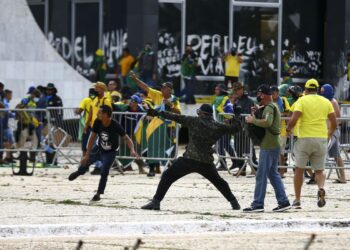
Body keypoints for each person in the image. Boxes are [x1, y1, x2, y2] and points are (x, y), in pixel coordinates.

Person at [141, 104, 241, 210]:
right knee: (219, 182)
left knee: (167, 176)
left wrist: (157, 113)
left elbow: (175, 117)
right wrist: (237, 115)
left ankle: (156, 202)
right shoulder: (218, 126)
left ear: (201, 113)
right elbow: (235, 128)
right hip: (206, 162)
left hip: (189, 160)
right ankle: (234, 203)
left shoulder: (193, 121)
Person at [68, 105, 139, 201]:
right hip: (98, 148)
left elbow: (127, 138)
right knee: (85, 162)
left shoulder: (115, 125)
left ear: (105, 115)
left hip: (110, 152)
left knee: (104, 171)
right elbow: (92, 138)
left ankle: (98, 194)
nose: (97, 113)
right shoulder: (97, 122)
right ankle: (79, 172)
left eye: (100, 112)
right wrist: (87, 155)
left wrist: (132, 150)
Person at [286, 79, 337, 209]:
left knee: (299, 170)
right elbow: (334, 123)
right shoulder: (326, 102)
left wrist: (288, 129)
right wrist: (328, 135)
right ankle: (321, 188)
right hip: (320, 138)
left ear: (306, 89)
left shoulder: (302, 101)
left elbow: (294, 118)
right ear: (318, 89)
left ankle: (297, 200)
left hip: (304, 139)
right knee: (319, 170)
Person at [243, 85, 291, 213]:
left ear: (263, 95)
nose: (258, 96)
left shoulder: (270, 107)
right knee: (273, 174)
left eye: (259, 94)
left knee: (261, 174)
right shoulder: (270, 106)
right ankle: (284, 201)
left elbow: (268, 122)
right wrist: (257, 112)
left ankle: (258, 204)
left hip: (269, 145)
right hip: (273, 144)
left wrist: (253, 120)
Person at [130, 71, 181, 177]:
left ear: (170, 90)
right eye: (161, 87)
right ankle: (152, 169)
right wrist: (135, 80)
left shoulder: (175, 100)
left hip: (169, 127)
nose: (161, 89)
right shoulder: (158, 95)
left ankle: (170, 169)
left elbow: (179, 112)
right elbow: (146, 87)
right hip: (156, 127)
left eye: (164, 88)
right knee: (153, 146)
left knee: (170, 147)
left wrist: (171, 105)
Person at [320, 84, 347, 183]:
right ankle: (343, 177)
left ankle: (318, 175)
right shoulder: (325, 101)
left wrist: (330, 129)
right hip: (328, 131)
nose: (322, 93)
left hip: (333, 131)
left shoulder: (333, 102)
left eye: (323, 91)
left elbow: (338, 118)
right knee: (336, 156)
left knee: (322, 151)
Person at [84, 82, 112, 175]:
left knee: (97, 148)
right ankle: (96, 166)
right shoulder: (94, 100)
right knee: (92, 147)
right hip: (94, 127)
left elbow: (109, 114)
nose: (95, 90)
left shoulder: (106, 100)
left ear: (103, 89)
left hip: (102, 127)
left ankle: (98, 167)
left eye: (97, 88)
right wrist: (86, 125)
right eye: (95, 88)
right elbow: (91, 113)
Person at [231, 82, 256, 174]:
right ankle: (242, 169)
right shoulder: (236, 100)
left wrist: (239, 111)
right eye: (235, 90)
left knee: (249, 149)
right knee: (238, 149)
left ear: (242, 89)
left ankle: (254, 168)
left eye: (238, 89)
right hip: (238, 128)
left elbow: (248, 113)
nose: (236, 91)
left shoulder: (249, 101)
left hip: (246, 128)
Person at [213, 84, 235, 170]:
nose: (215, 91)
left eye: (217, 89)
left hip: (221, 126)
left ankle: (223, 164)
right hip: (225, 125)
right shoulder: (226, 98)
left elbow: (218, 110)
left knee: (221, 145)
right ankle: (236, 161)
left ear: (221, 90)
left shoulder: (219, 99)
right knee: (226, 145)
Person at [271, 85, 290, 177]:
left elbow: (288, 113)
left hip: (282, 130)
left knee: (281, 153)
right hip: (271, 130)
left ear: (277, 93)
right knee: (272, 151)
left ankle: (282, 172)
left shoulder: (283, 100)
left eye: (273, 93)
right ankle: (274, 171)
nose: (272, 95)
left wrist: (278, 114)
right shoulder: (269, 101)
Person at [75, 84, 97, 156]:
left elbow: (79, 111)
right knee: (95, 144)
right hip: (98, 125)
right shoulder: (99, 100)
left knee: (85, 145)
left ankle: (85, 160)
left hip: (88, 125)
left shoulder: (86, 100)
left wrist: (76, 110)